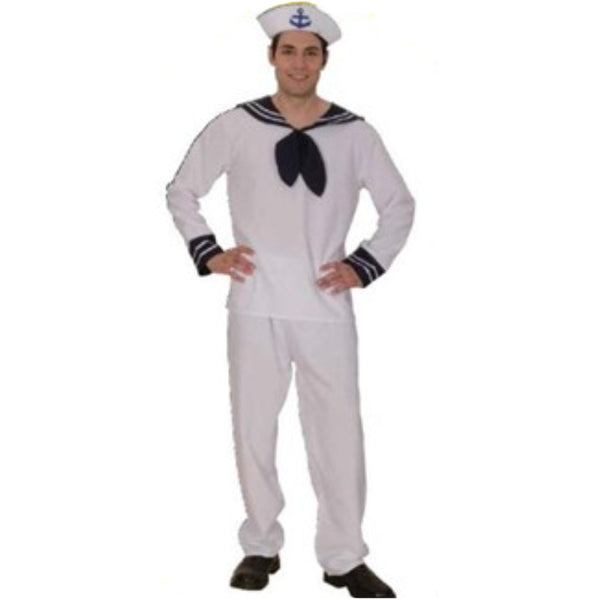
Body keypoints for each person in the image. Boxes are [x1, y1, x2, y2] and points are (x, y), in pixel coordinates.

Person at [165, 3, 415, 597]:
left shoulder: (355, 133)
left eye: (310, 53)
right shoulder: (237, 125)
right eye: (289, 52)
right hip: (255, 302)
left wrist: (362, 265)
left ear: (324, 60)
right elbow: (182, 191)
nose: (299, 63)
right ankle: (260, 545)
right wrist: (209, 251)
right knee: (254, 426)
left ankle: (343, 556)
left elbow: (399, 205)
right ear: (271, 57)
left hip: (325, 306)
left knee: (338, 432)